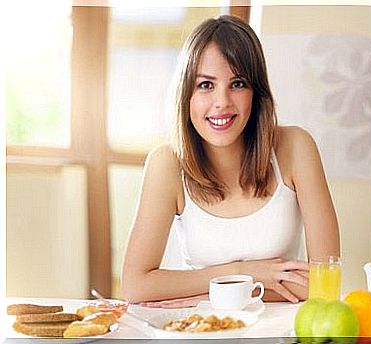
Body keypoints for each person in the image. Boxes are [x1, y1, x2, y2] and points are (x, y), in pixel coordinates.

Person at [121, 14, 340, 308]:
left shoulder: (296, 148)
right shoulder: (167, 164)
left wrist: (206, 294)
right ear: (186, 94)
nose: (222, 102)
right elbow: (136, 286)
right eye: (205, 85)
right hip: (204, 329)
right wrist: (243, 273)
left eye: (237, 83)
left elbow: (324, 285)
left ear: (256, 93)